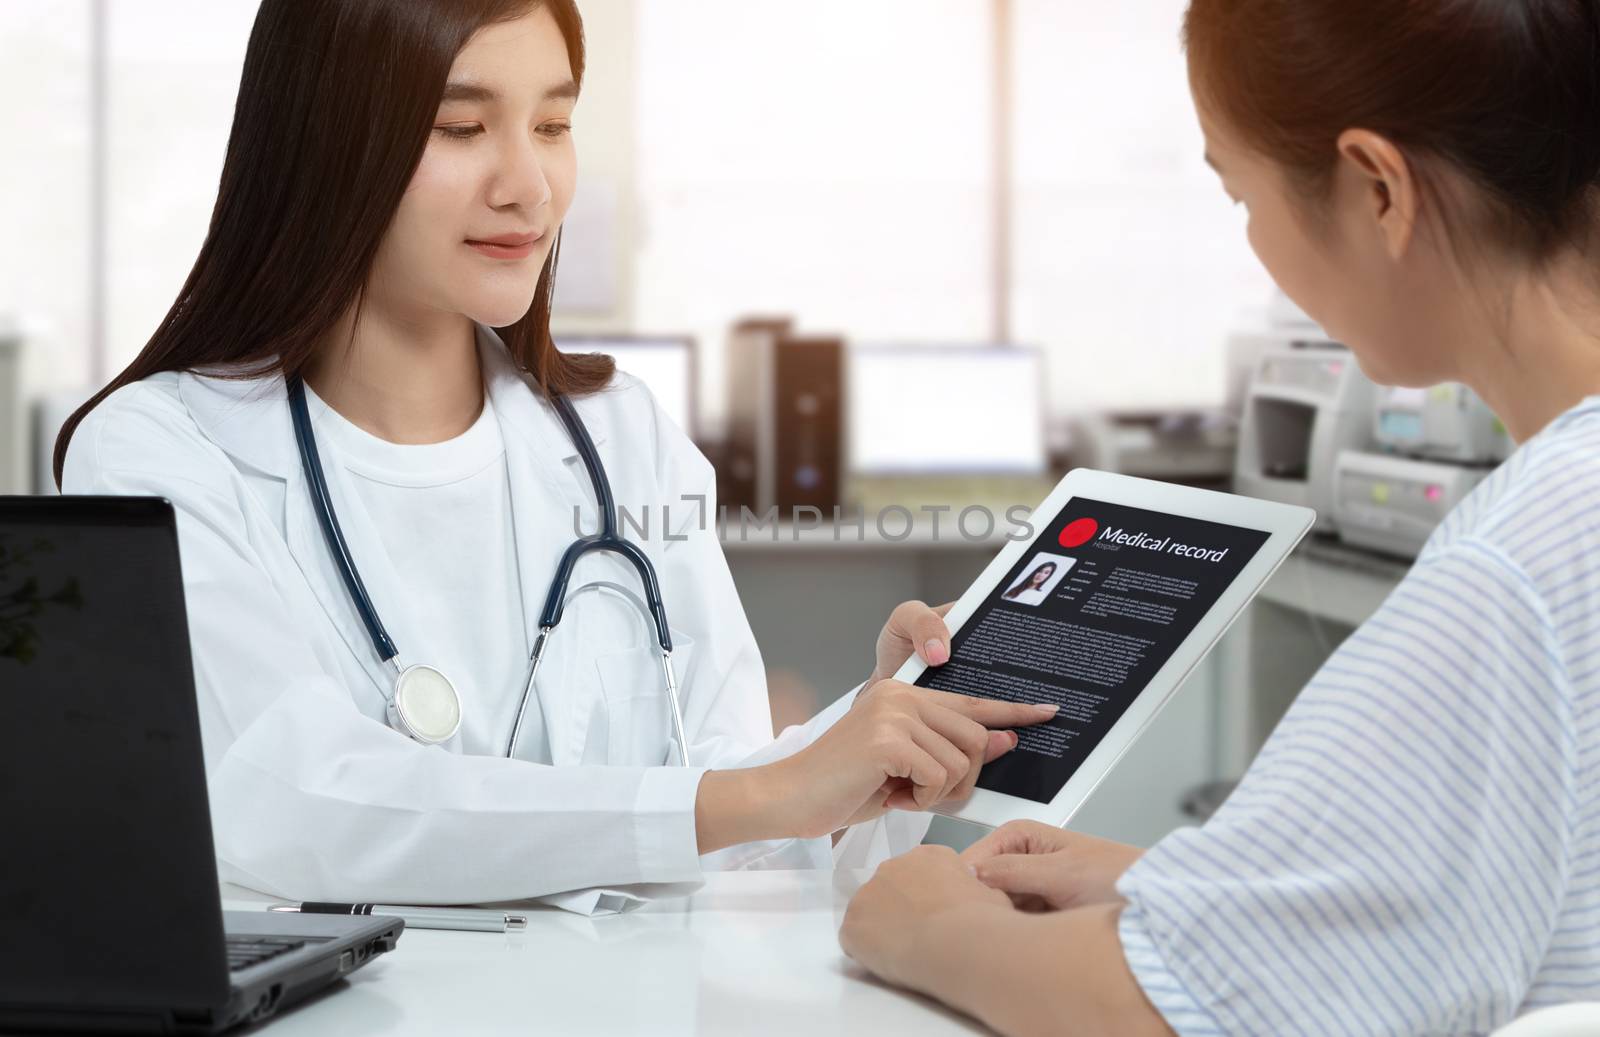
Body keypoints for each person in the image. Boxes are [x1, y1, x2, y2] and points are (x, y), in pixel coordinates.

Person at [59, 0, 1058, 911]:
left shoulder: (623, 435)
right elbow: (290, 802)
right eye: (461, 126)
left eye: (551, 125)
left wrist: (869, 739)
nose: (529, 185)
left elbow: (735, 804)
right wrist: (763, 791)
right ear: (324, 142)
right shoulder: (162, 451)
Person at [839, 0, 1600, 1031]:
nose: (1251, 240)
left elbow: (1183, 1013)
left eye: (1240, 191)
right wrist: (1209, 886)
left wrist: (928, 922)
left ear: (1377, 189)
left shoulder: (1508, 572)